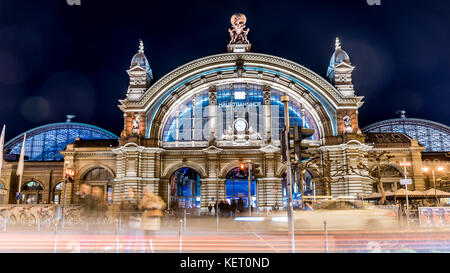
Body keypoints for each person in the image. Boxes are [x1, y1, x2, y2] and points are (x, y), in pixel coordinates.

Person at [138, 185, 166, 253]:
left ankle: (151, 249)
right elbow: (140, 207)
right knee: (146, 237)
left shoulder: (155, 197)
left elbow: (162, 205)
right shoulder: (144, 198)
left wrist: (153, 205)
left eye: (144, 190)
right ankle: (148, 249)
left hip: (152, 221)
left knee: (150, 237)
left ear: (148, 191)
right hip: (146, 221)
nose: (143, 192)